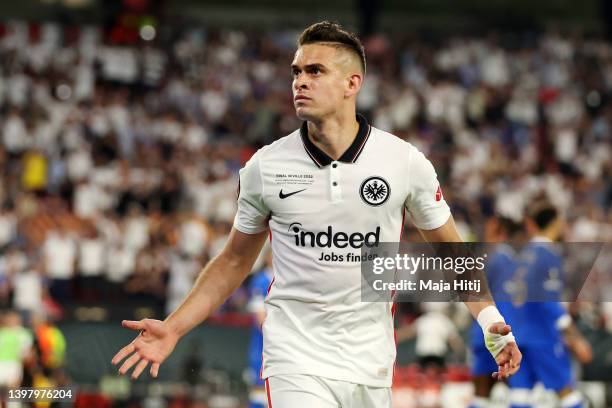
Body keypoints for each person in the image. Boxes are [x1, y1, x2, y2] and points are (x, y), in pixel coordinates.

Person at [111, 21, 521, 407]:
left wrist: (490, 321)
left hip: (371, 361)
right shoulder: (265, 167)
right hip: (295, 356)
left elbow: (453, 254)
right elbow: (235, 259)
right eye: (296, 71)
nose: (300, 81)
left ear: (352, 83)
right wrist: (175, 326)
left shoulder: (404, 162)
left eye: (315, 71)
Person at [507, 202, 592, 408]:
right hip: (542, 335)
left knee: (520, 394)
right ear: (554, 223)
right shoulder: (548, 254)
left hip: (518, 334)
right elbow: (548, 300)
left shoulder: (523, 254)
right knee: (566, 391)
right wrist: (574, 335)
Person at [468, 216, 522, 408]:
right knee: (511, 385)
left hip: (486, 329)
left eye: (490, 229)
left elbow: (472, 290)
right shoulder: (516, 261)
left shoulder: (492, 258)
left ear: (500, 232)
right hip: (509, 329)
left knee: (481, 388)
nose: (485, 233)